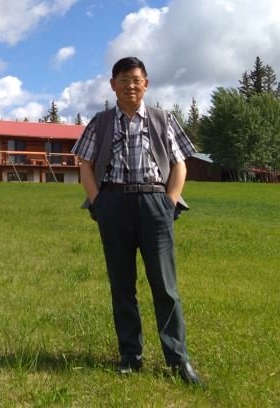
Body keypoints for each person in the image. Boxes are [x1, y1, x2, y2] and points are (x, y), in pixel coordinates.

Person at [72, 56, 203, 386]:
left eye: (136, 79)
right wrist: (99, 203)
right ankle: (131, 355)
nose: (130, 85)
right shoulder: (100, 123)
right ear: (112, 84)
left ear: (146, 84)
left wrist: (169, 201)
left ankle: (178, 359)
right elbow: (84, 164)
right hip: (113, 203)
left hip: (154, 202)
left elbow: (180, 164)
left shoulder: (162, 119)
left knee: (166, 286)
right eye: (123, 80)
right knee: (122, 286)